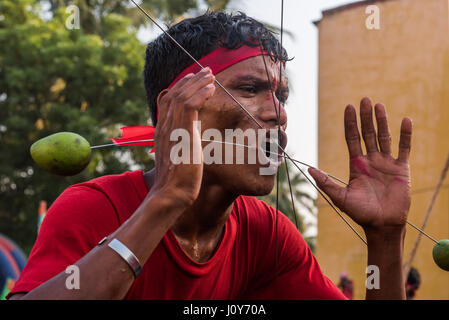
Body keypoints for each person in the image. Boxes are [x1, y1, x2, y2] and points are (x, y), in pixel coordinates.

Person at [8, 11, 413, 300]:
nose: (279, 113)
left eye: (282, 95)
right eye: (251, 88)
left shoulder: (267, 235)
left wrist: (384, 238)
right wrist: (165, 200)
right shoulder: (95, 207)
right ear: (175, 107)